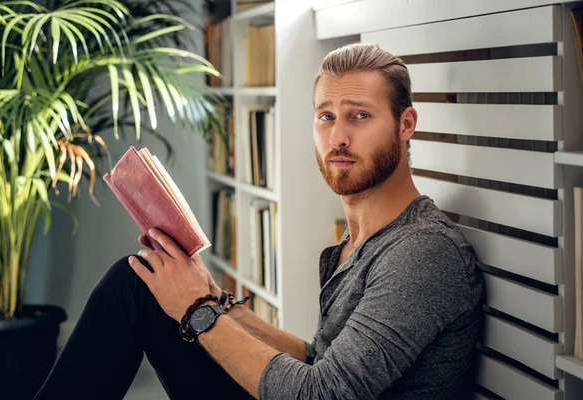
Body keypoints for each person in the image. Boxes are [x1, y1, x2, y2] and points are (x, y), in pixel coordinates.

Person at [34, 43, 483, 400]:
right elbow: (318, 360)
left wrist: (198, 311)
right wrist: (215, 299)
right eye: (326, 116)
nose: (338, 137)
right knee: (141, 282)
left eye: (360, 116)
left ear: (406, 124)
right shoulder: (359, 242)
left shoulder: (422, 252)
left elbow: (322, 393)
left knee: (132, 287)